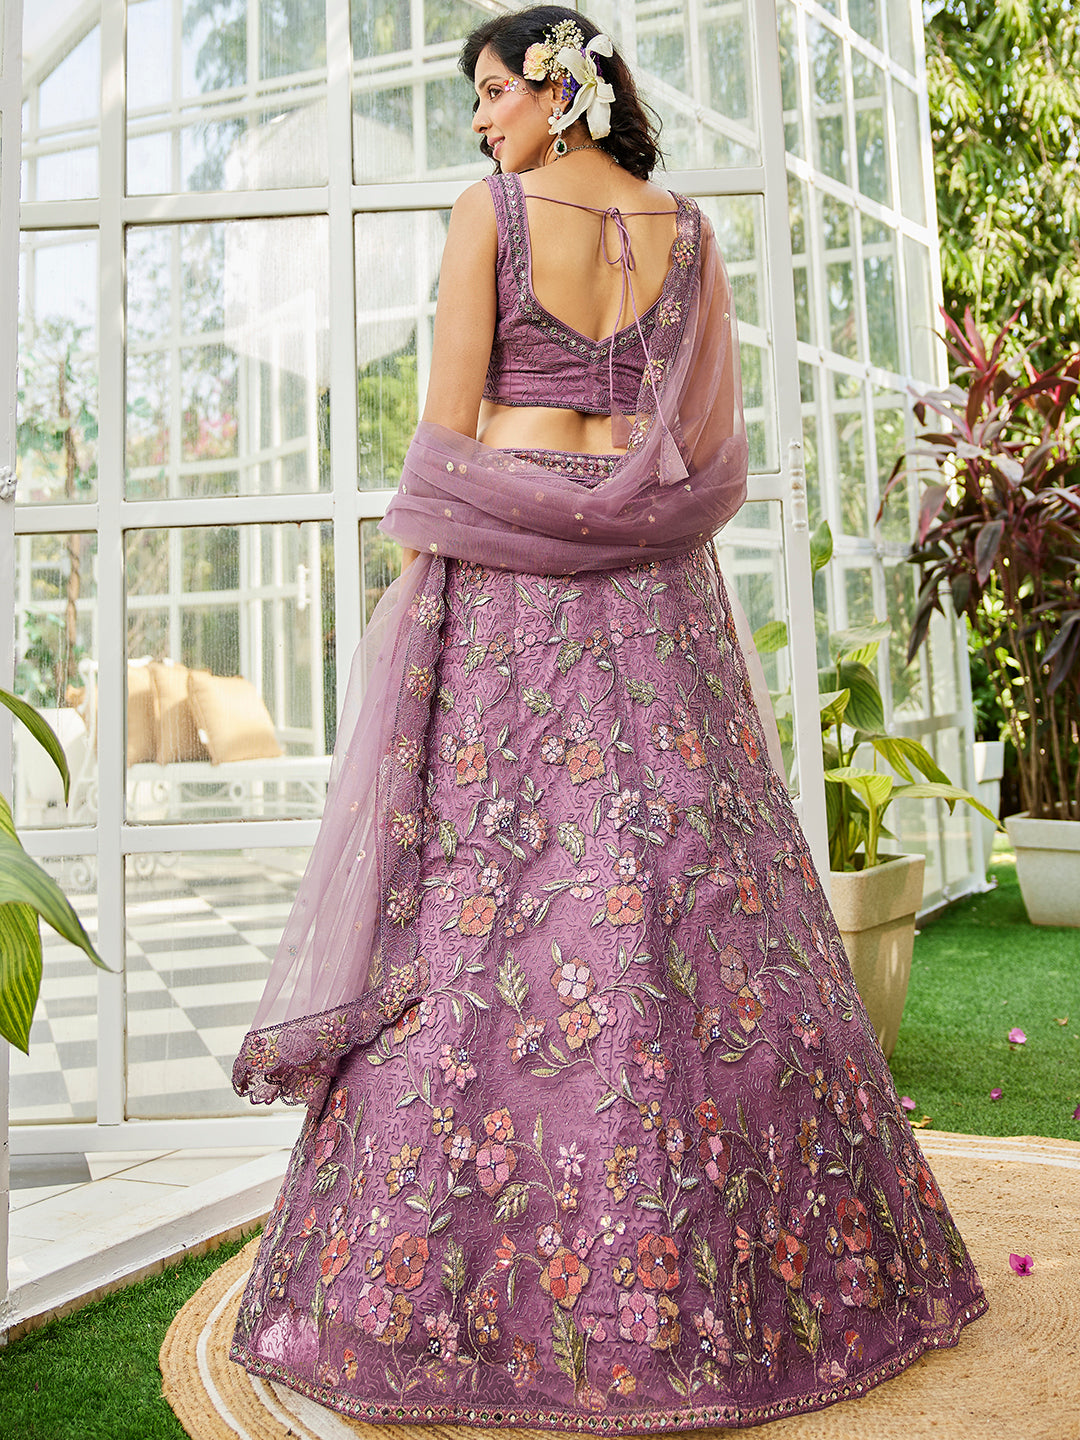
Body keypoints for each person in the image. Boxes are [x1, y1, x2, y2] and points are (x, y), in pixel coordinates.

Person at [228, 6, 986, 1429]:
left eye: (493, 92)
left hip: (508, 585)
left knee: (492, 899)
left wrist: (431, 576)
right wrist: (615, 513)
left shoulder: (492, 215)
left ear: (561, 92)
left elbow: (446, 435)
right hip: (652, 586)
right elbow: (707, 454)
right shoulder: (687, 232)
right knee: (687, 886)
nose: (480, 121)